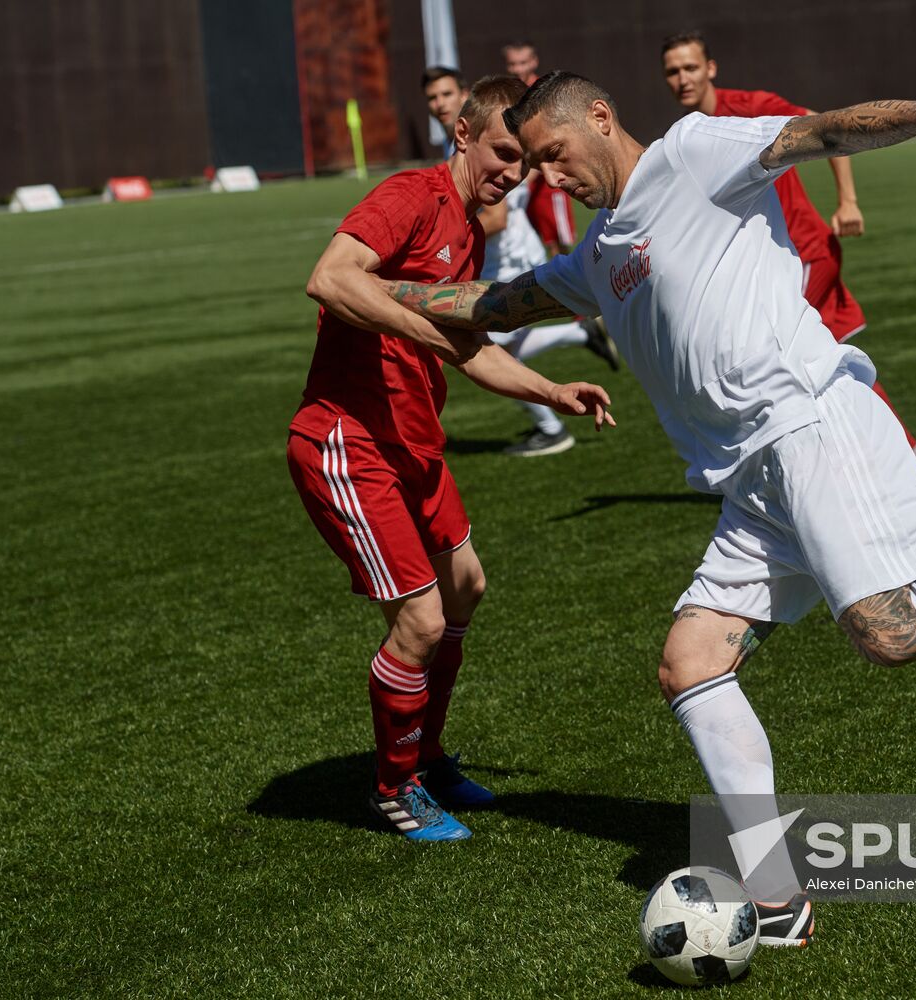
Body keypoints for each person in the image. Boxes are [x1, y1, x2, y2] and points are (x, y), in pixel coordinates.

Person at [380, 73, 916, 936]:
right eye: (531, 165)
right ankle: (778, 901)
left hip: (810, 425)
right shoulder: (599, 255)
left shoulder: (692, 153)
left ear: (600, 118)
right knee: (691, 663)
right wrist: (377, 297)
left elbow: (823, 132)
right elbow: (491, 305)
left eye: (553, 155)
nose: (545, 177)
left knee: (890, 632)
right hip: (750, 481)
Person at [286, 75, 614, 843]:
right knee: (421, 620)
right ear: (463, 135)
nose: (513, 171)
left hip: (412, 445)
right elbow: (329, 280)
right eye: (504, 152)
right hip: (348, 441)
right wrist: (429, 335)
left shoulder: (468, 229)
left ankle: (427, 757)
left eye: (525, 162)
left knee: (465, 585)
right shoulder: (410, 195)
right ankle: (393, 788)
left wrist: (548, 389)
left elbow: (468, 349)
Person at [660, 30, 916, 485]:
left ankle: (800, 475)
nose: (682, 78)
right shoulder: (692, 134)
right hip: (788, 258)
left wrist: (847, 200)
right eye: (672, 71)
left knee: (770, 357)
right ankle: (911, 455)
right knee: (831, 360)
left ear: (710, 68)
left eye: (690, 67)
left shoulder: (748, 106)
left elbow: (827, 124)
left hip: (803, 255)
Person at [480, 154, 621, 456]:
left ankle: (551, 429)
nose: (439, 105)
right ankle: (583, 335)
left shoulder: (482, 145)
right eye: (431, 101)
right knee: (500, 351)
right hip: (514, 258)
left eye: (444, 100)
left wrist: (447, 230)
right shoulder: (486, 144)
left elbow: (495, 218)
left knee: (488, 354)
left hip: (508, 266)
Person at [503, 41, 578, 253]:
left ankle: (572, 284)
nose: (518, 69)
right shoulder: (510, 96)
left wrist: (527, 177)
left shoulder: (543, 94)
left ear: (534, 62)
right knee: (538, 240)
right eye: (513, 64)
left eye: (523, 62)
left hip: (547, 182)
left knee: (562, 241)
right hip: (526, 180)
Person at [423, 66, 468, 158]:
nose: (440, 104)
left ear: (464, 96)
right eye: (432, 98)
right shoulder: (447, 143)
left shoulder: (477, 141)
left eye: (447, 94)